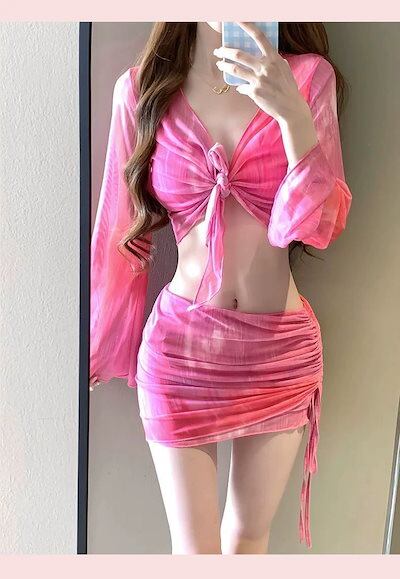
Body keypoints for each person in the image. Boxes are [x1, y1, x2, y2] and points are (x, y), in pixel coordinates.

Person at [89, 22, 352, 554]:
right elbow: (117, 233)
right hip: (179, 353)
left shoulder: (306, 78)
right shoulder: (142, 89)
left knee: (249, 540)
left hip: (279, 352)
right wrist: (101, 344)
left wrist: (294, 118)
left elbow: (320, 225)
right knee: (194, 552)